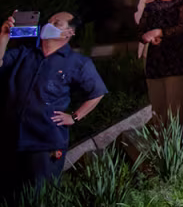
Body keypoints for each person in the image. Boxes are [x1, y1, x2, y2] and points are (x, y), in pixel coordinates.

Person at [0, 11, 107, 200]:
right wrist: (3, 37)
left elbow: (97, 92)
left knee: (41, 197)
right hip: (12, 140)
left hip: (45, 142)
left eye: (56, 24)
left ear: (70, 33)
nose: (48, 25)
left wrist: (74, 117)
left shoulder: (77, 63)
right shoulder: (25, 54)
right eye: (48, 21)